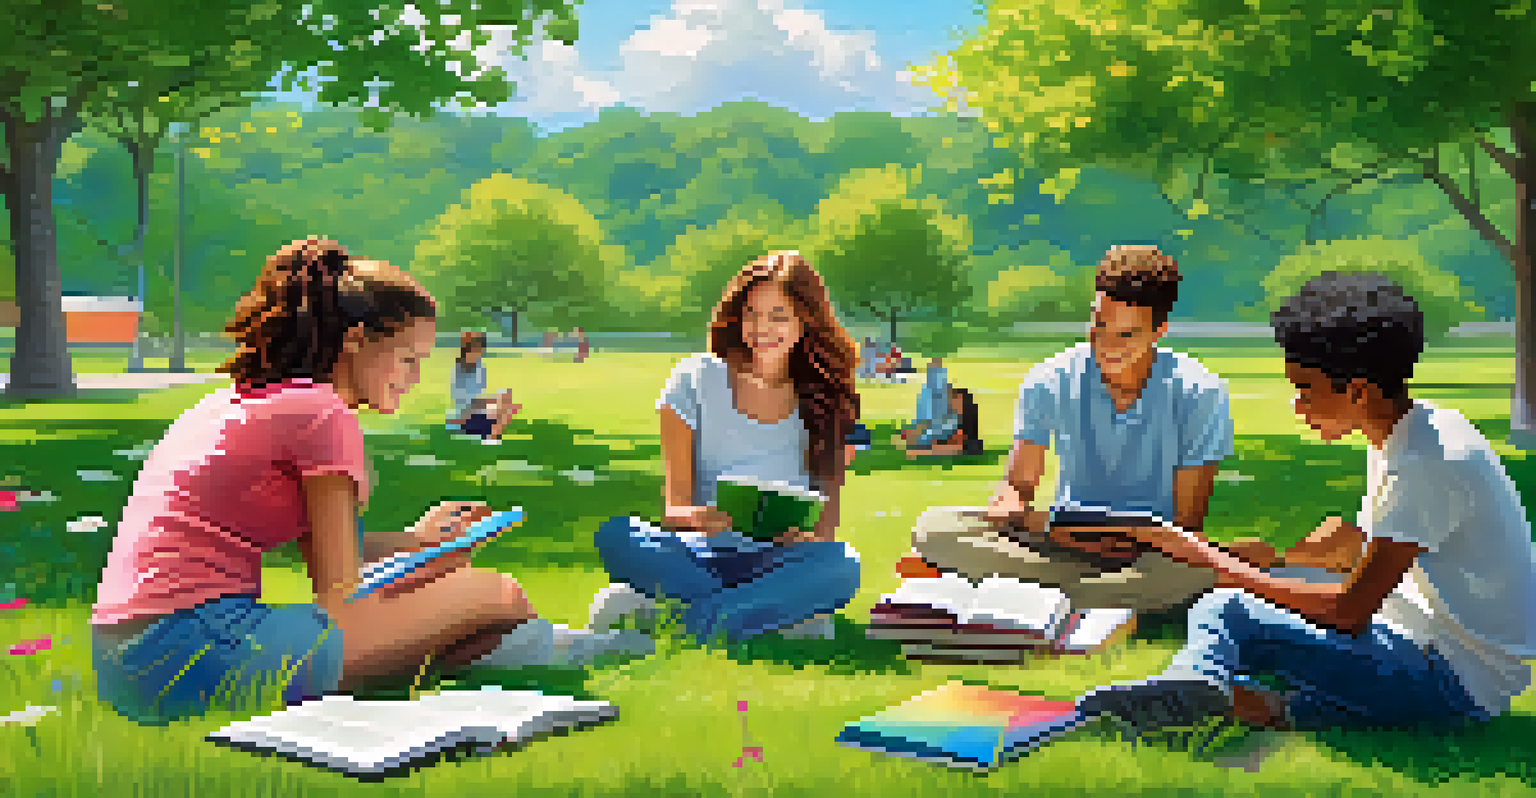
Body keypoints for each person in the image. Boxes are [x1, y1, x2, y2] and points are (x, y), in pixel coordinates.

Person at [89, 238, 645, 724]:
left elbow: (332, 559)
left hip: (131, 658)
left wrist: (419, 544)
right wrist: (438, 579)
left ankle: (545, 650)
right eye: (407, 360)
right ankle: (559, 649)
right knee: (493, 592)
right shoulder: (322, 413)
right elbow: (339, 593)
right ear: (356, 340)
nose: (415, 378)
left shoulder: (241, 399)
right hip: (195, 648)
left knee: (433, 596)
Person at [1076, 271, 1536, 735]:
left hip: (1452, 681)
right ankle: (1246, 697)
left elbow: (1349, 610)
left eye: (1306, 390)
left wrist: (1214, 563)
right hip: (1423, 644)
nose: (1297, 406)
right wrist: (1276, 559)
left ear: (1358, 390)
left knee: (1228, 608)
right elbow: (1371, 553)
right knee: (1253, 614)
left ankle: (1199, 683)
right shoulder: (1419, 429)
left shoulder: (1422, 464)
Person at [907, 245, 1250, 613]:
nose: (1106, 346)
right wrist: (1015, 512)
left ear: (1159, 331)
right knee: (935, 528)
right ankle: (1097, 595)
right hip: (1061, 541)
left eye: (1126, 335)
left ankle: (1036, 593)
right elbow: (1018, 485)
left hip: (1151, 552)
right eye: (1098, 326)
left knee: (1187, 570)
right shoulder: (1049, 379)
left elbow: (1187, 524)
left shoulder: (1200, 392)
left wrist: (1131, 539)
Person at [589, 251, 864, 643]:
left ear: (805, 320)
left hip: (778, 561)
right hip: (698, 555)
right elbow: (674, 508)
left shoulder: (827, 399)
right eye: (752, 314)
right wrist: (697, 517)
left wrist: (808, 538)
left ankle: (692, 623)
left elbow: (826, 526)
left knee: (842, 565)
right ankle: (753, 615)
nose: (761, 328)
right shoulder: (694, 380)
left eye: (778, 316)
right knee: (618, 535)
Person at [446, 331, 521, 441]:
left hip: (477, 411)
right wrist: (494, 402)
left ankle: (492, 432)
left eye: (480, 350)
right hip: (465, 416)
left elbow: (478, 399)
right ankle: (491, 434)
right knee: (501, 407)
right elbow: (468, 403)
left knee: (507, 404)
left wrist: (496, 401)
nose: (478, 354)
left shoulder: (480, 369)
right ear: (466, 351)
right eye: (475, 350)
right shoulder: (459, 372)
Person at [895, 357, 962, 451]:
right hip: (937, 428)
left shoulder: (936, 393)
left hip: (940, 428)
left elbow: (941, 420)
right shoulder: (928, 393)